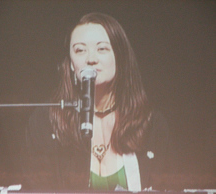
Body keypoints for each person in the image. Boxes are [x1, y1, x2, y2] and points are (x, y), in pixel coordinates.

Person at [25, 12, 169, 192]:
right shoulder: (45, 122)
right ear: (71, 63)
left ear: (120, 56)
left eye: (102, 49)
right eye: (80, 50)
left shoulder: (152, 125)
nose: (91, 59)